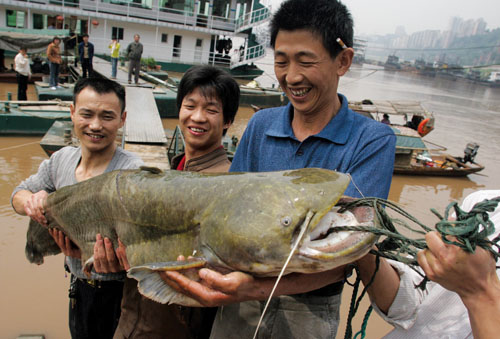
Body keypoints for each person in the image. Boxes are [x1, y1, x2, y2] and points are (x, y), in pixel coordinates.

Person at [160, 1, 396, 338]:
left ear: (343, 61)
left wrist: (253, 288)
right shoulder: (260, 125)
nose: (291, 76)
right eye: (281, 61)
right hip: (236, 304)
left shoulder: (371, 140)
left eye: (306, 61)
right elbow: (229, 214)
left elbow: (349, 252)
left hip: (309, 310)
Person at [94, 65, 240, 339]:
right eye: (190, 105)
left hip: (174, 328)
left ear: (228, 120)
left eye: (211, 110)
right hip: (131, 321)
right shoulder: (173, 171)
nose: (197, 117)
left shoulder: (227, 183)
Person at [11, 77, 144, 339]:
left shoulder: (134, 172)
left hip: (121, 296)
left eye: (107, 116)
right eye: (87, 114)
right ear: (72, 113)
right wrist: (32, 202)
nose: (95, 125)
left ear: (122, 119)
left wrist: (119, 263)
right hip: (78, 287)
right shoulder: (60, 160)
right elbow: (17, 194)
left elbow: (145, 246)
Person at [358, 190, 500, 339]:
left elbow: (478, 290)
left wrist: (480, 291)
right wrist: (363, 248)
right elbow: (408, 302)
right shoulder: (486, 204)